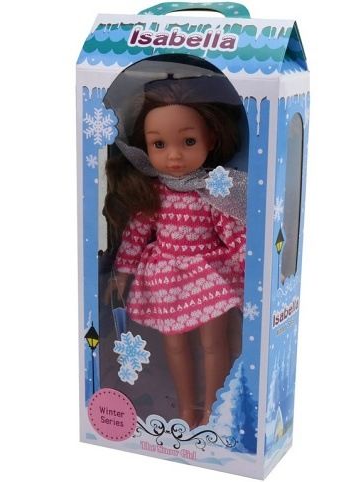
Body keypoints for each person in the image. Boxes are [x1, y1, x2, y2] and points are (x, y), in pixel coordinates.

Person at [104, 77, 246, 428]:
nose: (174, 155)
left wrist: (255, 271)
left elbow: (233, 234)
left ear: (211, 139)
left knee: (213, 344)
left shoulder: (211, 191)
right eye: (159, 144)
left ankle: (214, 409)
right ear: (146, 146)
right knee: (175, 345)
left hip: (207, 272)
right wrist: (121, 273)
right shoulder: (154, 194)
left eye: (188, 141)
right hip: (164, 277)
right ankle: (186, 409)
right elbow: (136, 235)